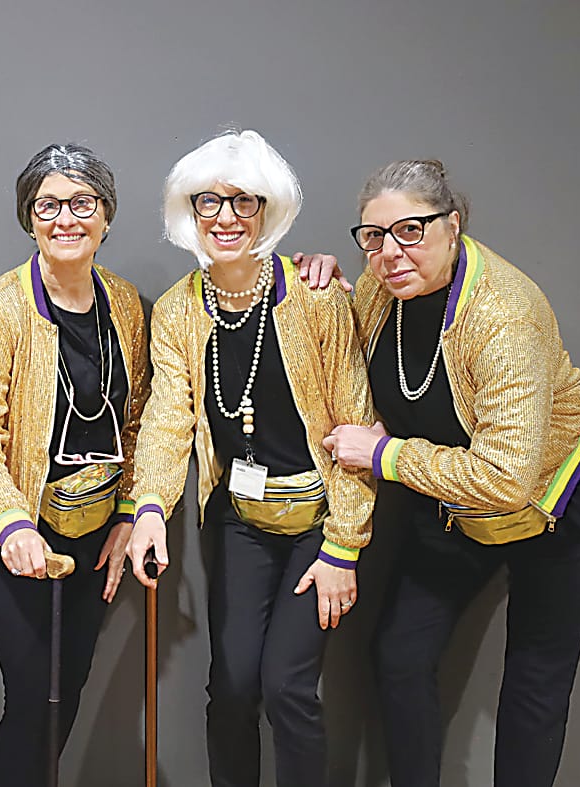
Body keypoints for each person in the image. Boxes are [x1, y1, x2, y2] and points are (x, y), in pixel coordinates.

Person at [327, 159, 580, 787]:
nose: (389, 252)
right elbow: (356, 342)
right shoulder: (385, 281)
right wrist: (322, 285)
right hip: (452, 497)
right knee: (400, 656)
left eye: (411, 230)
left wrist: (386, 456)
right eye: (372, 236)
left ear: (452, 223)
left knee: (535, 682)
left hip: (555, 500)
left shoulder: (502, 315)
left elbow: (506, 478)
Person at [125, 130, 375, 787]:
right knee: (232, 684)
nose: (227, 218)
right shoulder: (179, 310)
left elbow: (356, 424)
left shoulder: (315, 297)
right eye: (210, 202)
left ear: (268, 212)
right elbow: (165, 421)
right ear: (190, 210)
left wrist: (345, 546)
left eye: (244, 202)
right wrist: (148, 507)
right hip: (239, 520)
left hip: (318, 524)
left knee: (287, 686)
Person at [0, 143, 150, 786]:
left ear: (107, 216)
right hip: (21, 526)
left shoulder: (125, 304)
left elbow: (141, 416)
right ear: (28, 217)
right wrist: (11, 523)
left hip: (98, 525)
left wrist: (128, 511)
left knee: (70, 687)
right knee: (33, 694)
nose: (66, 219)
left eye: (82, 203)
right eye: (49, 205)